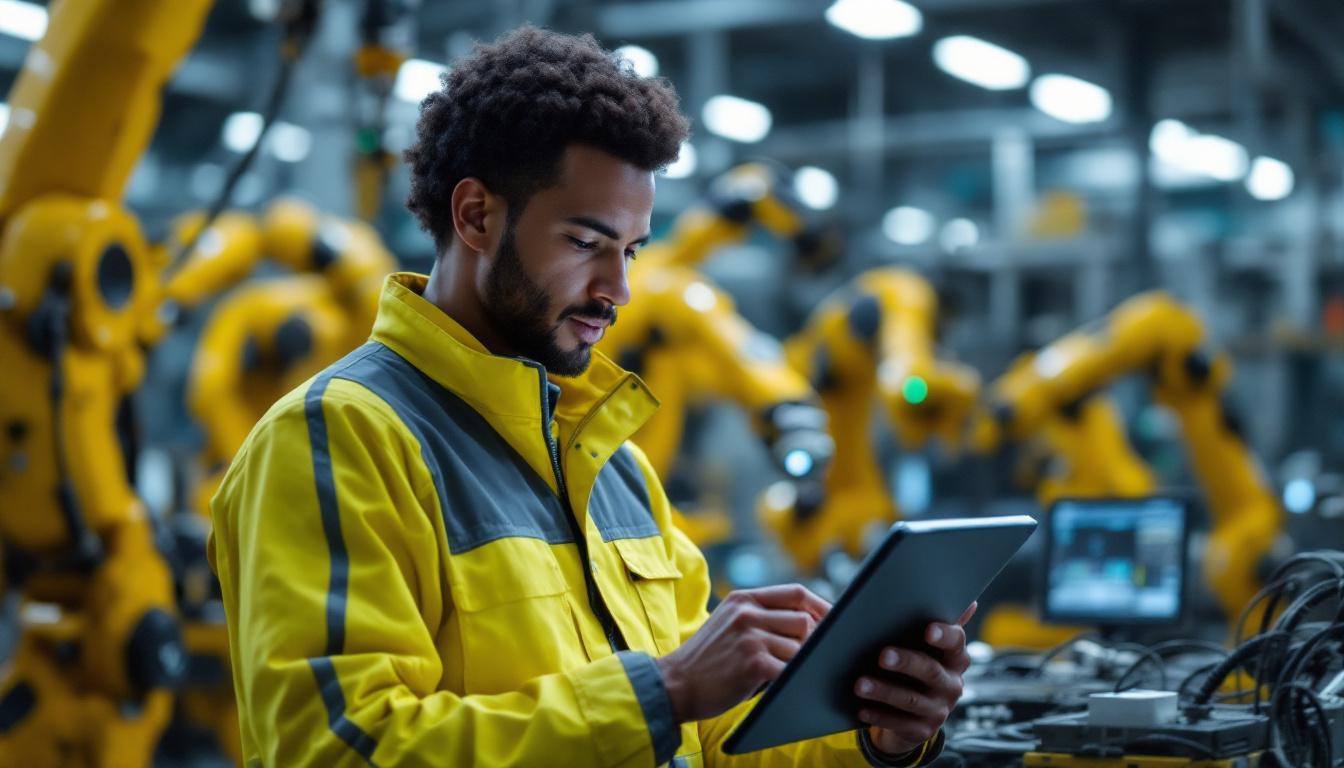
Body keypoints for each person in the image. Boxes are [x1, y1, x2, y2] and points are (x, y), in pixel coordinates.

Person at [208, 26, 971, 767]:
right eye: (585, 243)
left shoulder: (616, 468)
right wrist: (663, 690)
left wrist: (876, 728)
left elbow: (712, 743)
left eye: (631, 251)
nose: (619, 291)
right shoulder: (338, 441)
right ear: (475, 215)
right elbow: (334, 749)